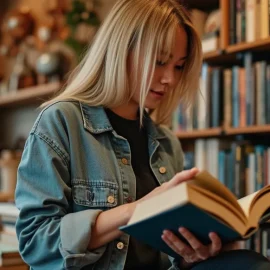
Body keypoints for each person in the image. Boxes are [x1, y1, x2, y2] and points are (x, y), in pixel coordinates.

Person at [15, 0, 270, 269]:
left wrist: (190, 256)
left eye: (179, 66)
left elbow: (165, 257)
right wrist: (139, 210)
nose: (170, 79)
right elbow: (35, 242)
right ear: (119, 51)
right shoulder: (61, 121)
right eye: (160, 62)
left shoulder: (166, 143)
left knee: (249, 263)